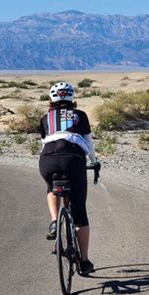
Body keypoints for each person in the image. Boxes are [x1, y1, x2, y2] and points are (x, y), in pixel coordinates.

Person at [38, 82, 99, 275]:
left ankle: (55, 220)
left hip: (47, 159)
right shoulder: (80, 116)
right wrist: (94, 161)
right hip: (73, 159)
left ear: (51, 99)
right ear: (72, 99)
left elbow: (44, 141)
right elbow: (88, 143)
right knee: (80, 212)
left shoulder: (45, 118)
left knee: (51, 188)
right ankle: (84, 261)